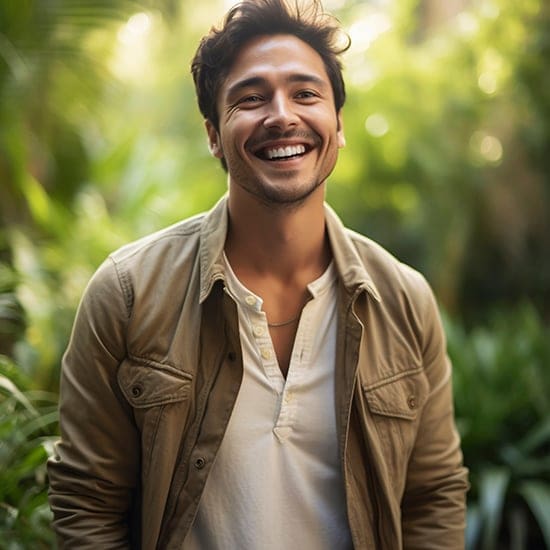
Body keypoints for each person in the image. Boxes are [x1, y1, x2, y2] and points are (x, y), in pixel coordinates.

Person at [47, 0, 469, 548]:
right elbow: (87, 500)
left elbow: (433, 495)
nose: (281, 115)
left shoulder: (405, 301)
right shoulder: (128, 293)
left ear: (338, 125)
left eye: (305, 93)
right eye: (250, 97)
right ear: (214, 135)